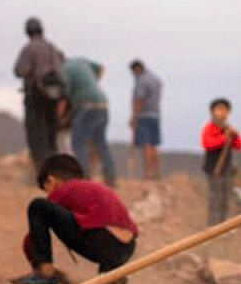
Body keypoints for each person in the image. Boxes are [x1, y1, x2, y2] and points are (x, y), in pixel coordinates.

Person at [9, 154, 138, 284]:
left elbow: (32, 239)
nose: (49, 194)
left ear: (51, 180)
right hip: (126, 248)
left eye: (47, 189)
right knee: (90, 226)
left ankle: (45, 276)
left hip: (103, 241)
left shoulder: (64, 189)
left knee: (38, 206)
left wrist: (37, 261)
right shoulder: (93, 188)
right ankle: (111, 277)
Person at [13, 17, 65, 170]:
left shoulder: (29, 48)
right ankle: (54, 169)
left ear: (28, 32)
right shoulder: (52, 47)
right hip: (54, 96)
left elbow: (20, 70)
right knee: (51, 135)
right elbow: (59, 70)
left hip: (35, 95)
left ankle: (41, 170)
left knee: (36, 135)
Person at [63, 56, 116, 187]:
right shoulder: (82, 62)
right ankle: (111, 177)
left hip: (87, 106)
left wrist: (61, 117)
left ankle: (84, 178)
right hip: (103, 103)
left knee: (78, 142)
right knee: (101, 143)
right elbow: (101, 68)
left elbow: (64, 95)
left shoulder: (64, 69)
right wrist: (92, 84)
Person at [200, 98, 241, 226]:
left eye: (225, 110)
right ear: (212, 112)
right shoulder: (209, 128)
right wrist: (224, 138)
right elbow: (207, 143)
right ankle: (212, 227)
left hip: (227, 169)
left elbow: (239, 146)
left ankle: (224, 226)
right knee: (215, 198)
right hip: (214, 169)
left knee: (225, 199)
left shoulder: (229, 128)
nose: (222, 112)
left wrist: (235, 135)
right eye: (219, 109)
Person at [128, 59, 163, 180]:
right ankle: (156, 172)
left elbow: (140, 100)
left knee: (146, 144)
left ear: (136, 69)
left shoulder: (142, 80)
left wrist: (134, 117)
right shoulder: (155, 79)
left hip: (144, 116)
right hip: (155, 115)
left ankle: (148, 173)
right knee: (153, 145)